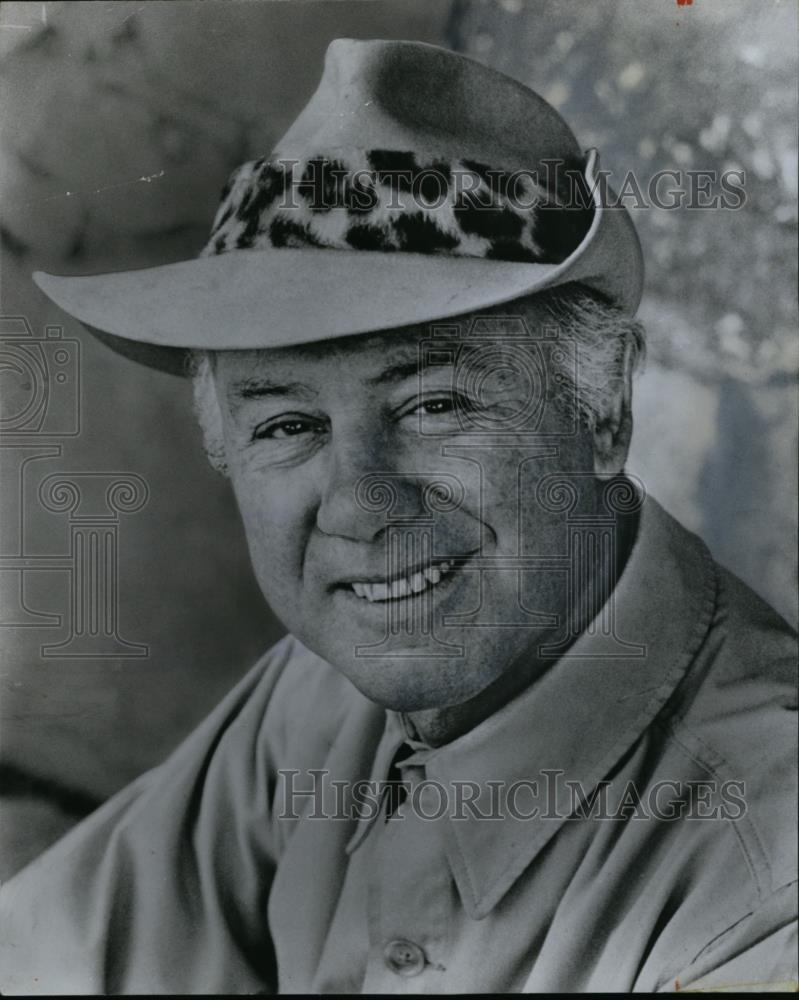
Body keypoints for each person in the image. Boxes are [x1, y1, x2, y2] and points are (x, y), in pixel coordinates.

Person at [1, 38, 796, 995]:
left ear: (605, 410)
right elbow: (55, 956)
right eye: (288, 423)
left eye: (435, 405)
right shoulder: (325, 688)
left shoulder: (764, 876)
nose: (358, 506)